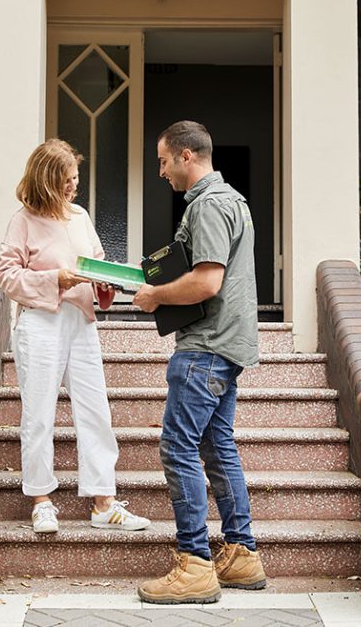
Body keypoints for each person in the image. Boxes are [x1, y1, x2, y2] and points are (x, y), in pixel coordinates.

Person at [134, 121, 266, 604]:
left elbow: (207, 282)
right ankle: (241, 554)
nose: (161, 171)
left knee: (178, 448)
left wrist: (154, 296)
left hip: (205, 349)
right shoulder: (232, 200)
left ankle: (193, 564)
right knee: (217, 448)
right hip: (227, 347)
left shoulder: (209, 205)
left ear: (187, 156)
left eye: (163, 160)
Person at [0, 138, 150, 535]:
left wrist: (108, 283)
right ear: (47, 180)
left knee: (96, 409)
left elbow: (94, 264)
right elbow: (7, 276)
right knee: (39, 413)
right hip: (40, 321)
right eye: (67, 180)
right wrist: (54, 279)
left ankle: (104, 502)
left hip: (80, 321)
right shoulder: (23, 220)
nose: (73, 186)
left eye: (76, 178)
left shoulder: (80, 216)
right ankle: (42, 501)